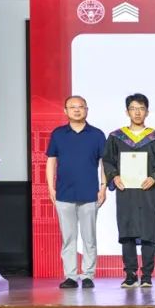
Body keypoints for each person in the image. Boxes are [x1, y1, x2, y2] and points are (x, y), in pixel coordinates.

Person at [101, 93, 155, 289]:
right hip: (126, 190)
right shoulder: (116, 137)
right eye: (133, 108)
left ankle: (147, 275)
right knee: (127, 230)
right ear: (127, 112)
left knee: (148, 231)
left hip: (147, 190)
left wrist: (154, 177)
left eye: (141, 108)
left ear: (147, 112)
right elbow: (108, 160)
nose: (137, 112)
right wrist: (114, 176)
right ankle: (130, 274)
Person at [46, 95, 107, 289]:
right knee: (68, 238)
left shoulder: (97, 134)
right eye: (73, 107)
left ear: (87, 110)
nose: (77, 110)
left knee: (89, 238)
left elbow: (104, 163)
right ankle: (71, 276)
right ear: (65, 111)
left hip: (90, 193)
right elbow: (51, 161)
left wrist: (103, 187)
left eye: (81, 106)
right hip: (64, 194)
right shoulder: (58, 134)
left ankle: (88, 275)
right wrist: (51, 187)